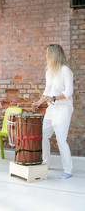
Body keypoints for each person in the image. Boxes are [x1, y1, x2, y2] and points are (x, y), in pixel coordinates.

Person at [32, 44, 74, 179]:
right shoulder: (49, 72)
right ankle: (46, 163)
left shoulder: (65, 70)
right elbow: (46, 92)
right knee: (44, 136)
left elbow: (69, 91)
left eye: (48, 54)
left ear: (54, 55)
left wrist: (54, 97)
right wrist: (39, 102)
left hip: (63, 109)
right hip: (51, 109)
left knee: (61, 140)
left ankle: (68, 170)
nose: (46, 57)